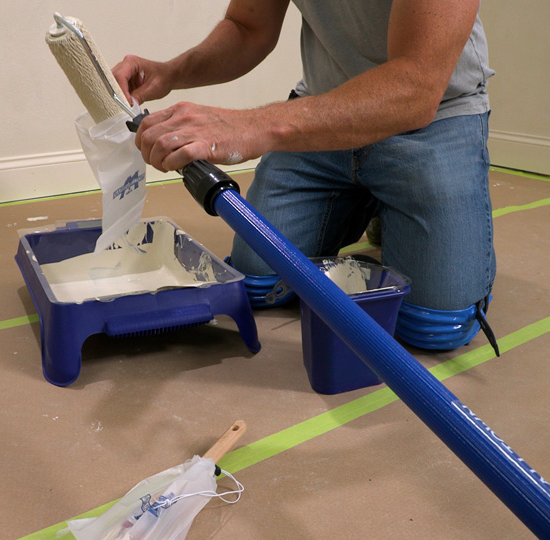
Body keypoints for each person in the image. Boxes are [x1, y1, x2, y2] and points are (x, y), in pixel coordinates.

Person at [112, 0, 498, 353]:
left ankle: (384, 202)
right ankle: (369, 199)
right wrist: (171, 71)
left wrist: (252, 126)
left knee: (433, 327)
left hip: (433, 116)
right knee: (261, 280)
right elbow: (248, 26)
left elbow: (416, 84)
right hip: (324, 113)